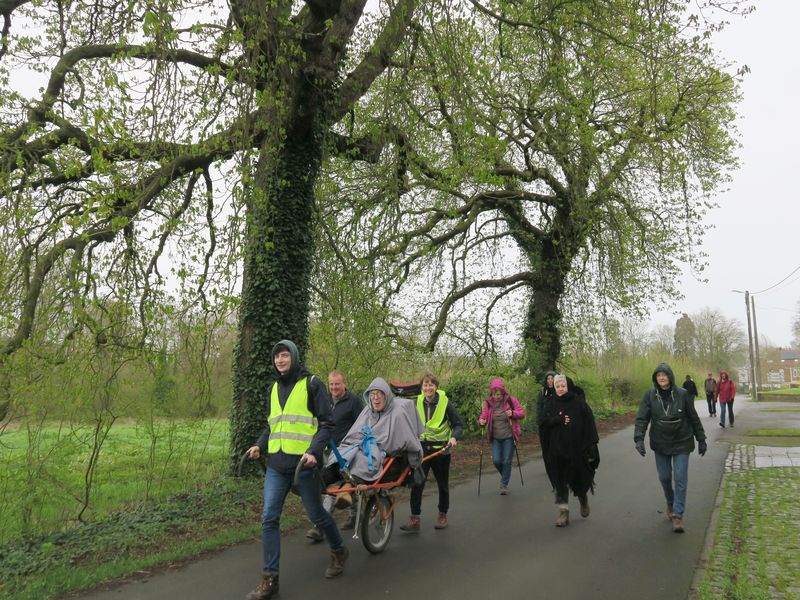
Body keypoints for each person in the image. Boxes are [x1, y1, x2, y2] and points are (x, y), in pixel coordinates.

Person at [244, 340, 348, 600]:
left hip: (304, 466)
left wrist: (313, 452)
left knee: (317, 514)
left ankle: (339, 549)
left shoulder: (312, 384)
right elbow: (273, 426)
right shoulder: (273, 388)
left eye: (284, 355)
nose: (280, 360)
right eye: (276, 356)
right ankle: (270, 580)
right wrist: (259, 445)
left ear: (294, 356)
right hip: (277, 467)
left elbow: (327, 424)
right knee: (269, 517)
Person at [634, 363, 707, 533]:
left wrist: (701, 439)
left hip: (682, 441)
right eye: (658, 375)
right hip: (660, 442)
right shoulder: (650, 395)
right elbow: (642, 418)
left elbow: (693, 417)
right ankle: (670, 501)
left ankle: (678, 514)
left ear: (670, 376)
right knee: (665, 477)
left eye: (664, 375)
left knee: (680, 477)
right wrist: (639, 438)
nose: (661, 378)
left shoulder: (683, 394)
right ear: (655, 378)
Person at [322, 377, 423, 489]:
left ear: (386, 396)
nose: (375, 398)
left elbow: (411, 441)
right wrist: (352, 443)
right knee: (341, 453)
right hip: (358, 446)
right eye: (373, 394)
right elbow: (354, 432)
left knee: (360, 459)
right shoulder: (367, 411)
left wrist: (415, 464)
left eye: (379, 394)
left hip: (377, 453)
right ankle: (319, 480)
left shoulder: (397, 413)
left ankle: (347, 487)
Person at [400, 371, 463, 532]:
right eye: (425, 385)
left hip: (441, 451)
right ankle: (415, 518)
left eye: (431, 384)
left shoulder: (445, 403)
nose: (428, 388)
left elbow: (458, 425)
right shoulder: (416, 402)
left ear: (436, 386)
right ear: (421, 387)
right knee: (417, 483)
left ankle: (442, 514)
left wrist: (454, 438)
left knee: (442, 485)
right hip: (421, 451)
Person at [306, 370, 364, 542]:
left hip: (345, 452)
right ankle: (354, 516)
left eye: (337, 384)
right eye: (331, 384)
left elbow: (361, 425)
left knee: (334, 488)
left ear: (344, 383)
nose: (334, 387)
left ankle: (320, 527)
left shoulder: (353, 402)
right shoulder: (326, 400)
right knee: (336, 485)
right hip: (325, 450)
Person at [538, 375, 599, 527]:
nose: (560, 389)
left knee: (579, 479)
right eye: (557, 386)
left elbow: (589, 424)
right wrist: (557, 420)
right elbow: (543, 422)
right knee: (559, 482)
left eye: (563, 386)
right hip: (557, 451)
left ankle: (583, 498)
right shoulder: (550, 403)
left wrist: (590, 446)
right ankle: (563, 512)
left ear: (568, 386)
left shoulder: (579, 403)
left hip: (577, 450)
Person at [478, 377, 526, 494]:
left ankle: (503, 484)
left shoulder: (511, 401)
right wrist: (481, 421)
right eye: (494, 394)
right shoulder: (489, 404)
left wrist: (513, 413)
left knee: (506, 461)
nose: (496, 397)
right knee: (496, 461)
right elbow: (483, 416)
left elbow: (522, 413)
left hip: (509, 436)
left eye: (498, 394)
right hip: (496, 438)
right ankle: (506, 474)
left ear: (503, 392)